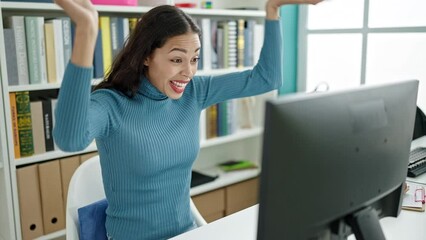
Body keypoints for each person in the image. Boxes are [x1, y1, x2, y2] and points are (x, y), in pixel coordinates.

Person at [53, 0, 323, 239]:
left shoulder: (194, 92)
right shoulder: (111, 104)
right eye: (176, 59)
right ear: (146, 56)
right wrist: (87, 32)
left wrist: (272, 8)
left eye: (194, 59)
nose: (188, 72)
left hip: (187, 232)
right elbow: (70, 138)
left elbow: (267, 78)